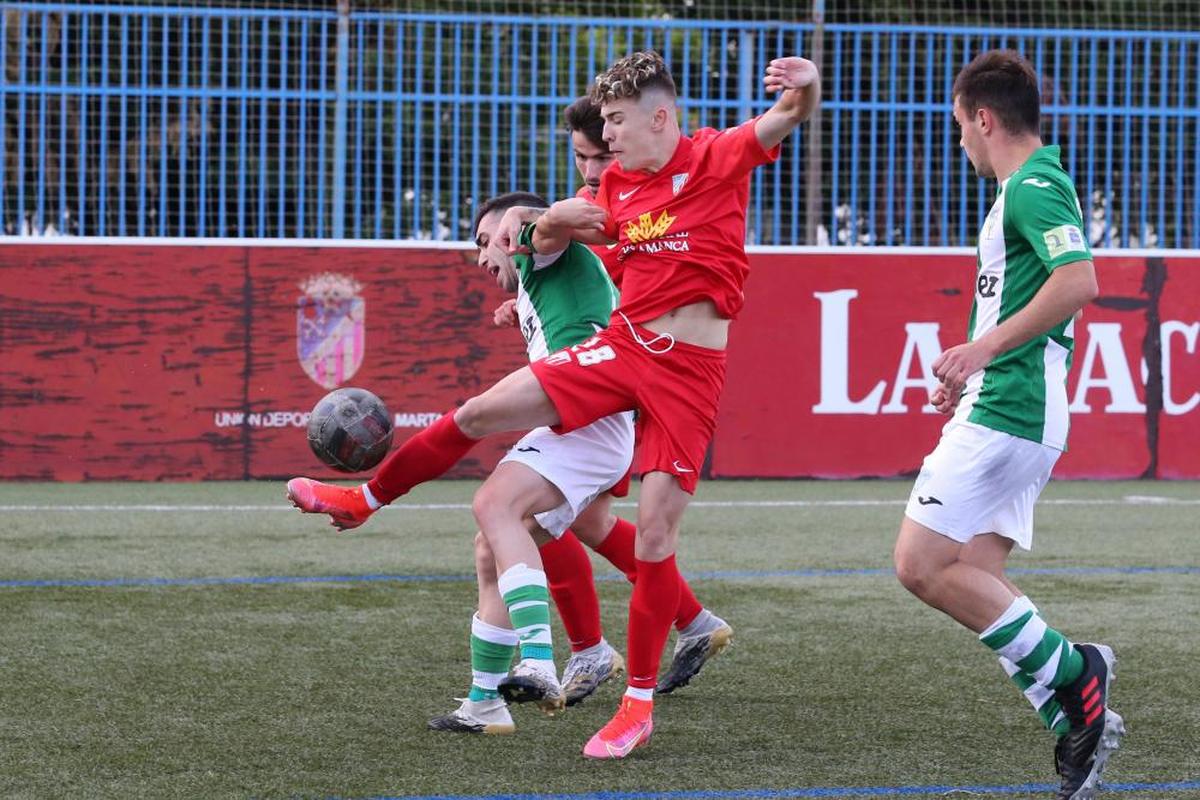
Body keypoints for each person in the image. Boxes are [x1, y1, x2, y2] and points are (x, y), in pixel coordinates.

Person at [287, 50, 820, 758]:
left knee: (654, 537)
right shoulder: (618, 188)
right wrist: (547, 228)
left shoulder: (714, 156)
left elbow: (785, 118)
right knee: (479, 413)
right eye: (602, 125)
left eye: (618, 121)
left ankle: (634, 705)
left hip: (691, 372)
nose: (607, 141)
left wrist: (805, 90)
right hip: (624, 349)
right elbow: (567, 248)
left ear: (660, 116)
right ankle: (365, 501)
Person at [890, 50, 1124, 800]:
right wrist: (970, 370)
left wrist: (983, 352)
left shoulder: (1033, 184)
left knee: (919, 566)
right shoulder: (1020, 189)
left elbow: (1079, 279)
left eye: (959, 124)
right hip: (1009, 403)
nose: (959, 138)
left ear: (983, 118)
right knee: (977, 577)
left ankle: (1076, 675)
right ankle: (1075, 726)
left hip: (1014, 408)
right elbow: (1022, 298)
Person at [426, 190, 730, 734]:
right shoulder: (551, 266)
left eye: (482, 242)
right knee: (565, 527)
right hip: (595, 416)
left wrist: (526, 229)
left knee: (505, 512)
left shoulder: (565, 229)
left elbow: (542, 231)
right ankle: (490, 700)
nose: (479, 257)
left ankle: (555, 659)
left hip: (591, 415)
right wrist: (518, 301)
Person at [493, 97, 733, 699]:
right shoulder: (594, 204)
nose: (594, 170)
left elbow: (628, 280)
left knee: (536, 515)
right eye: (582, 157)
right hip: (618, 369)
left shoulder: (649, 191)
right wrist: (524, 298)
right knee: (588, 520)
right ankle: (693, 622)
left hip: (633, 372)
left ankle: (583, 653)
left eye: (602, 155)